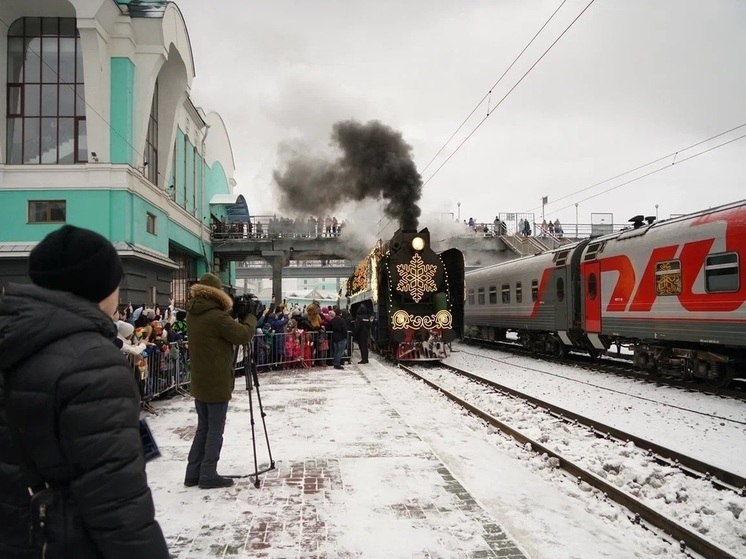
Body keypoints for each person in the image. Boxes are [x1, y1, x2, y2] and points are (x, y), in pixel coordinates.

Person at [0, 224, 169, 559]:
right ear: (100, 287)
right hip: (67, 542)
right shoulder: (93, 363)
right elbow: (118, 502)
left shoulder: (13, 335)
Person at [184, 272, 257, 489]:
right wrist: (251, 317)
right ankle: (208, 474)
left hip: (200, 380)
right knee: (215, 429)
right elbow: (243, 335)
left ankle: (193, 473)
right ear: (218, 295)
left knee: (203, 428)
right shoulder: (216, 317)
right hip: (216, 381)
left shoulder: (193, 313)